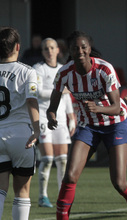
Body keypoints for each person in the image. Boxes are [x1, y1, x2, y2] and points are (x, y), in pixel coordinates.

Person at [46, 30, 127, 220]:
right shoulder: (64, 73)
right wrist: (51, 116)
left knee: (119, 182)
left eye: (83, 47)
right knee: (70, 176)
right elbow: (52, 107)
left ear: (89, 49)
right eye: (75, 48)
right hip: (88, 126)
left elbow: (117, 108)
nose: (80, 51)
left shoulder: (104, 70)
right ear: (69, 51)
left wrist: (97, 108)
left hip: (115, 124)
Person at [0, 26, 40, 220]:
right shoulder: (28, 71)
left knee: (0, 191)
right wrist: (37, 130)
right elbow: (32, 101)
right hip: (20, 136)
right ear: (17, 46)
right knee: (22, 191)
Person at [33, 38, 76, 208]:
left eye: (52, 48)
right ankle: (42, 196)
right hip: (44, 116)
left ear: (58, 50)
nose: (49, 51)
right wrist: (58, 91)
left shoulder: (63, 69)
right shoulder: (38, 69)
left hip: (60, 120)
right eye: (45, 48)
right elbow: (37, 92)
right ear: (42, 52)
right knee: (48, 158)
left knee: (63, 160)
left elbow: (66, 98)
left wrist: (71, 116)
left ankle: (61, 195)